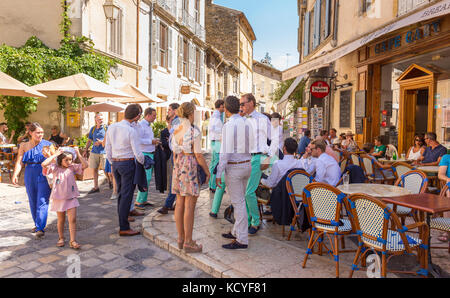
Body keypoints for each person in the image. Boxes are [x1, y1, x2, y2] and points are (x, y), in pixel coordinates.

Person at [171, 102, 210, 253]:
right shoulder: (194, 132)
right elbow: (199, 155)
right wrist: (207, 172)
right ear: (190, 114)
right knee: (190, 206)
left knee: (179, 202)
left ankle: (180, 238)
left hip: (179, 164)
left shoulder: (176, 130)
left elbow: (174, 152)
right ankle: (188, 241)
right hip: (190, 164)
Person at [216, 96, 253, 249]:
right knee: (239, 201)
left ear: (225, 108)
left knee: (238, 203)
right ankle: (236, 231)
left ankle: (242, 239)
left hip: (235, 167)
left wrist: (219, 173)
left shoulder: (229, 125)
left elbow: (225, 152)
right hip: (246, 164)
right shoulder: (247, 122)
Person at [105, 104, 145, 237]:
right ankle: (124, 226)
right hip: (127, 163)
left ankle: (124, 219)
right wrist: (143, 162)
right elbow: (138, 153)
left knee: (121, 194)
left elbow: (108, 147)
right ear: (136, 116)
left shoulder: (112, 127)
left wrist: (112, 161)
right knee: (126, 195)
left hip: (116, 162)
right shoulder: (130, 131)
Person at [11, 123, 53, 238]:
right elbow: (19, 161)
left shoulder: (48, 144)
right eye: (37, 132)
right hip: (29, 173)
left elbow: (55, 160)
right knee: (32, 199)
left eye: (42, 132)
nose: (40, 135)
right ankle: (37, 223)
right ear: (30, 133)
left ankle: (40, 227)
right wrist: (15, 174)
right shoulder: (23, 145)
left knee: (42, 200)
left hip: (44, 172)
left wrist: (49, 155)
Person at [42, 147, 88, 249]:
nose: (68, 162)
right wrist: (55, 155)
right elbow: (44, 164)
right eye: (66, 160)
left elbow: (85, 165)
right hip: (59, 198)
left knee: (73, 219)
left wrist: (78, 153)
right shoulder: (55, 168)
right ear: (60, 160)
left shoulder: (72, 167)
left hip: (71, 197)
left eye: (70, 159)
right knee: (61, 220)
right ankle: (61, 238)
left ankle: (73, 240)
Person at [240, 93, 272, 236]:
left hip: (258, 157)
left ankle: (255, 221)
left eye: (243, 103)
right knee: (244, 192)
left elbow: (275, 139)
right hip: (246, 158)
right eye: (240, 104)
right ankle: (248, 220)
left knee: (249, 192)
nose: (241, 106)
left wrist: (268, 158)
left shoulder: (262, 119)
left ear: (252, 103)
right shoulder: (244, 120)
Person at [135, 107, 160, 210]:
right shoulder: (141, 125)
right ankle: (138, 201)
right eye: (154, 115)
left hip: (150, 153)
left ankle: (144, 200)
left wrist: (155, 141)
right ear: (148, 115)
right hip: (144, 154)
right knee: (146, 178)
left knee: (148, 179)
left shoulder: (149, 126)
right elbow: (138, 140)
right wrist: (151, 141)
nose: (155, 117)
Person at [158, 103, 181, 215]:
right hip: (175, 153)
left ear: (175, 110)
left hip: (176, 154)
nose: (168, 111)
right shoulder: (177, 120)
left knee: (174, 180)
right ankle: (171, 204)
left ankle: (168, 204)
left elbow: (176, 138)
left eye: (169, 110)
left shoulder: (177, 121)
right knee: (175, 180)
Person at [84, 113, 107, 194]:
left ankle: (110, 181)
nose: (101, 120)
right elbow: (90, 140)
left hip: (104, 151)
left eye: (102, 119)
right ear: (95, 120)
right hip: (94, 151)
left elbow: (110, 140)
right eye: (99, 119)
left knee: (105, 169)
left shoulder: (106, 128)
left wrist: (101, 142)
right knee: (94, 169)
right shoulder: (93, 129)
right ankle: (96, 187)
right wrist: (86, 149)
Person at [208, 99, 224, 192]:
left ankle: (212, 184)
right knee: (217, 164)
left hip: (214, 141)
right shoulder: (217, 116)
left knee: (213, 163)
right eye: (223, 106)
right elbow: (215, 129)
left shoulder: (216, 115)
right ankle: (214, 185)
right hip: (217, 141)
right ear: (220, 106)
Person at [437, 154, 450, 242]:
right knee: (448, 194)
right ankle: (447, 230)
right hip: (449, 184)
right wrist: (448, 179)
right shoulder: (446, 157)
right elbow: (441, 174)